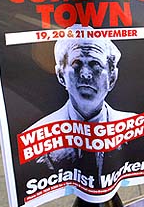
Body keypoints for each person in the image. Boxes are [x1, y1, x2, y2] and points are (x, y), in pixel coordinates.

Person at [25, 25, 136, 185]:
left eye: (95, 64)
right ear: (61, 75)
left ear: (112, 77)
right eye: (76, 64)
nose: (85, 73)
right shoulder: (37, 143)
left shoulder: (135, 132)